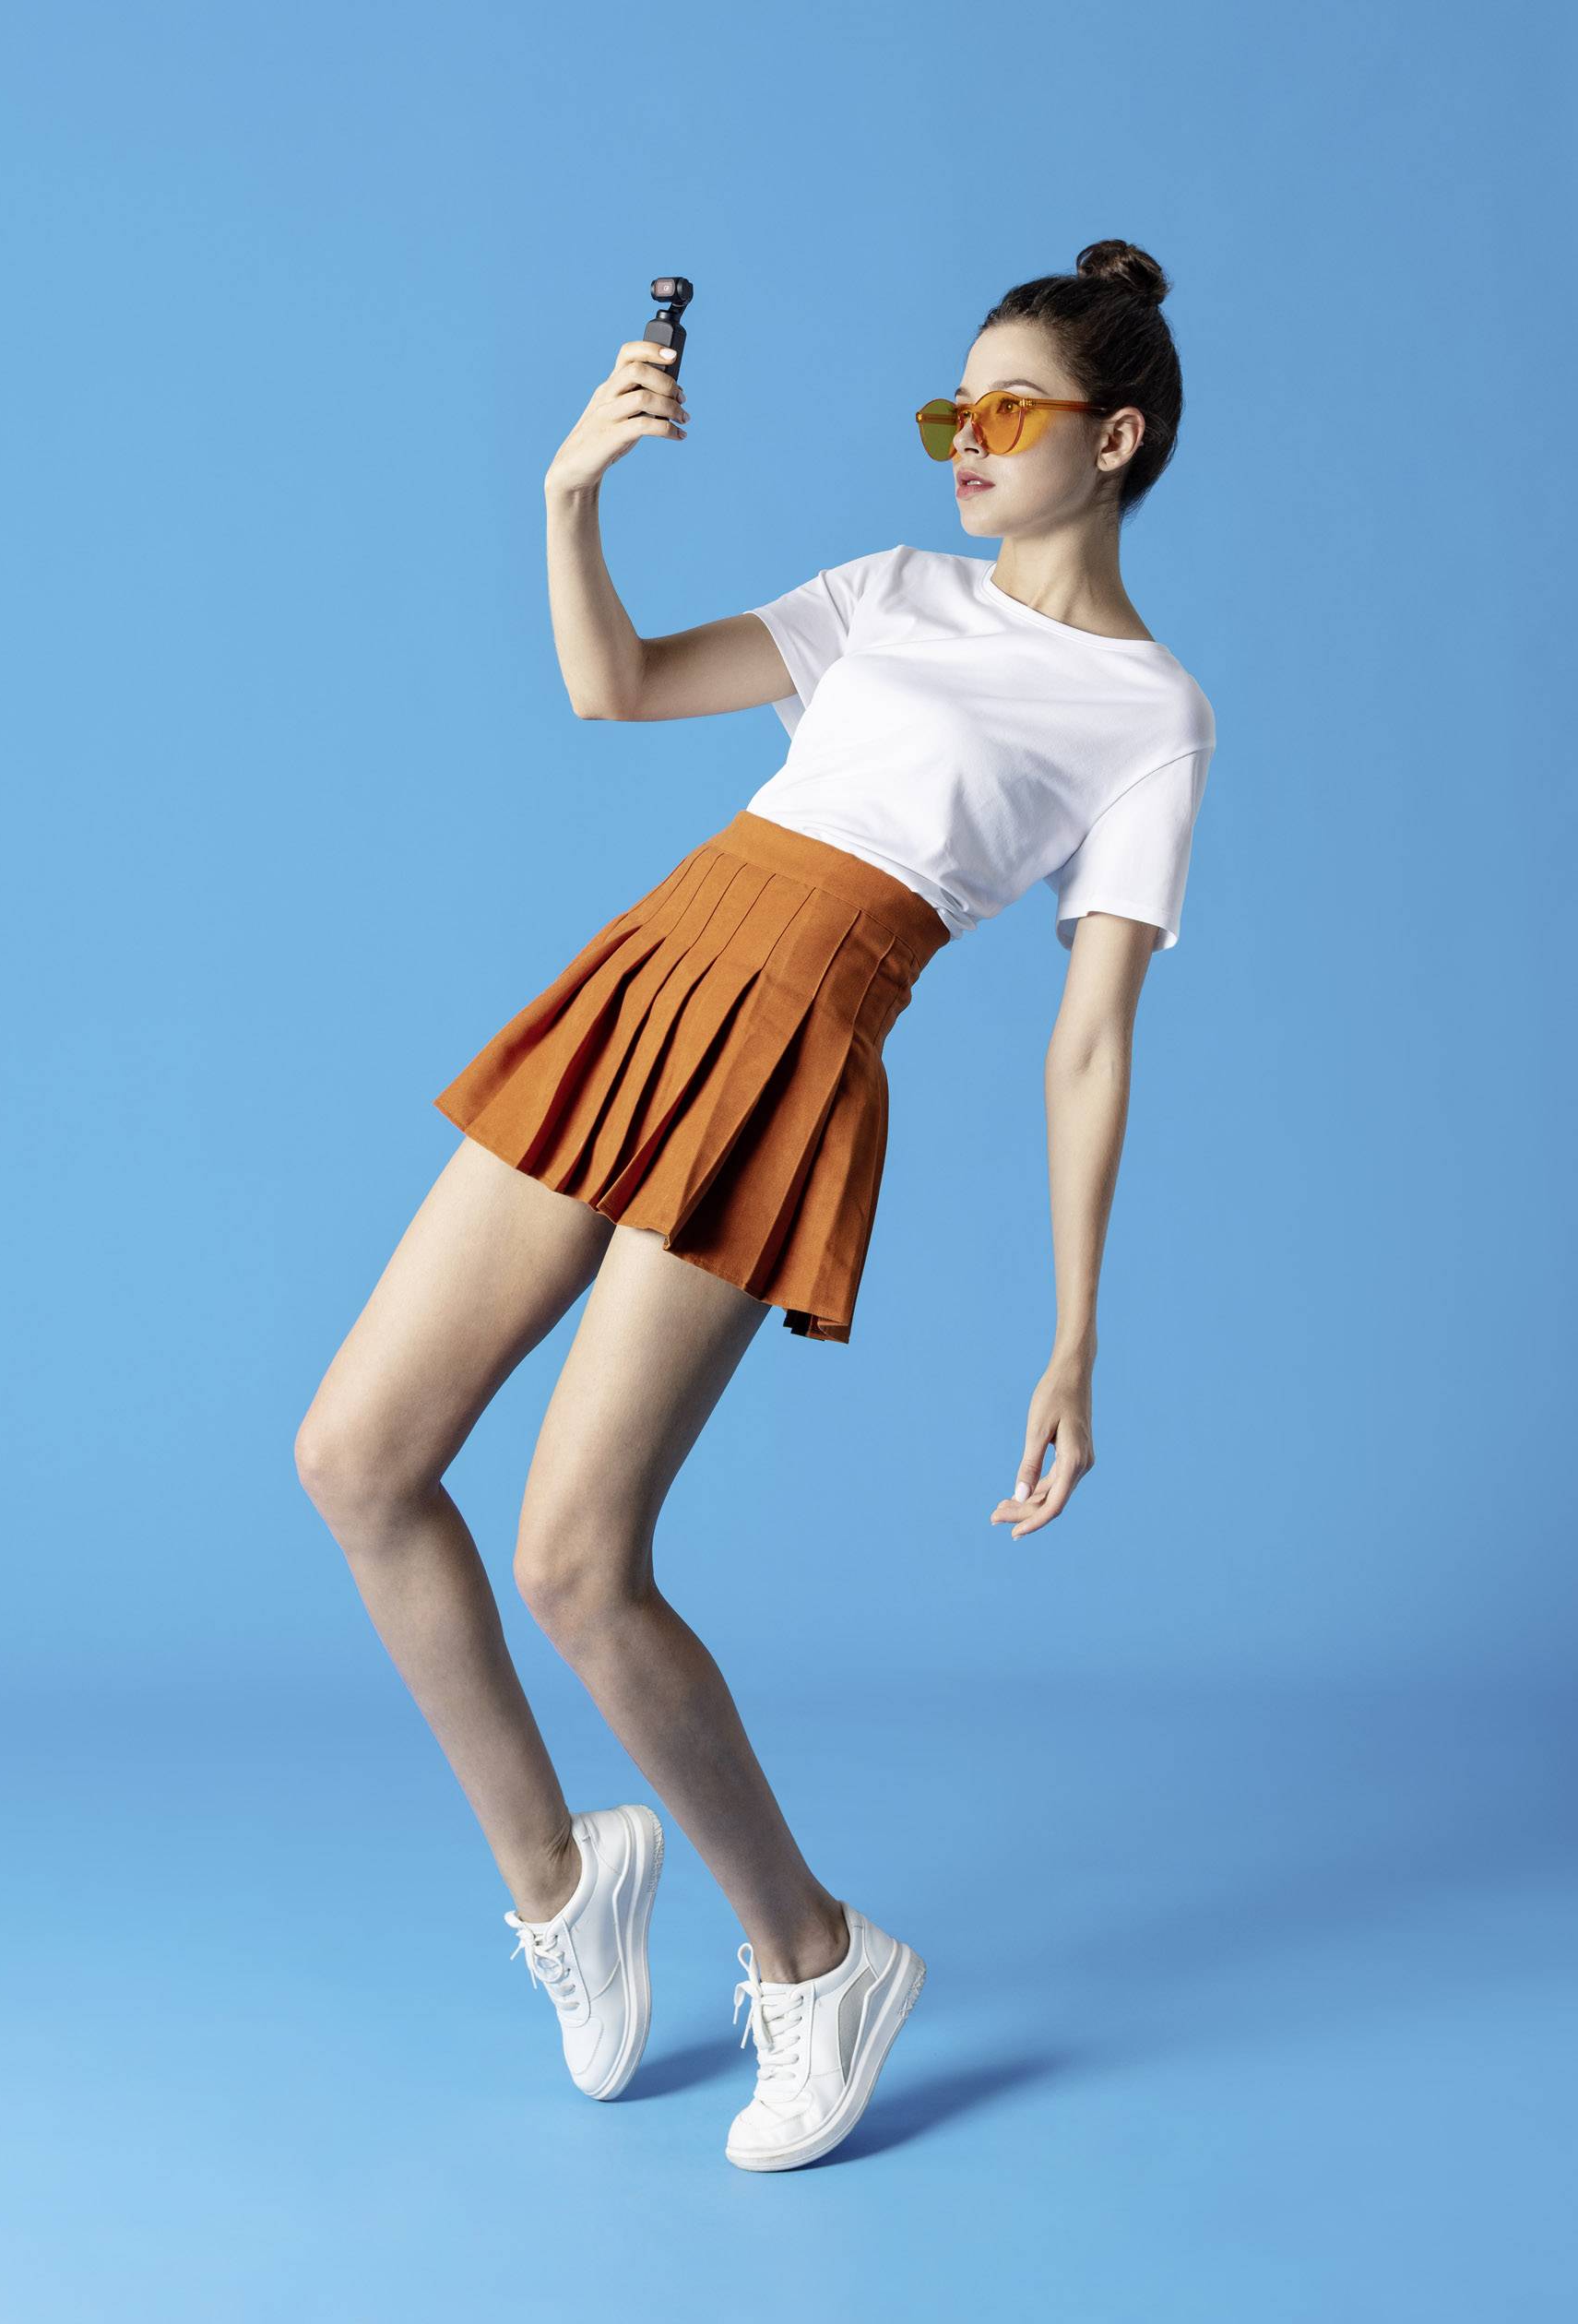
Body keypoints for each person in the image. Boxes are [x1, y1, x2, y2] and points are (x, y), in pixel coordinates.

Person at [293, 237, 1216, 2173]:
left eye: (1012, 410)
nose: (967, 441)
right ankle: (561, 1881)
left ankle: (814, 1959)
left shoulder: (1145, 715)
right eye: (950, 408)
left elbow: (1088, 1043)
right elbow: (613, 686)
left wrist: (1073, 1330)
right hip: (641, 981)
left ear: (1112, 438)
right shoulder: (887, 591)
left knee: (575, 1557)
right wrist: (569, 493)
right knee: (359, 1456)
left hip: (790, 1053)